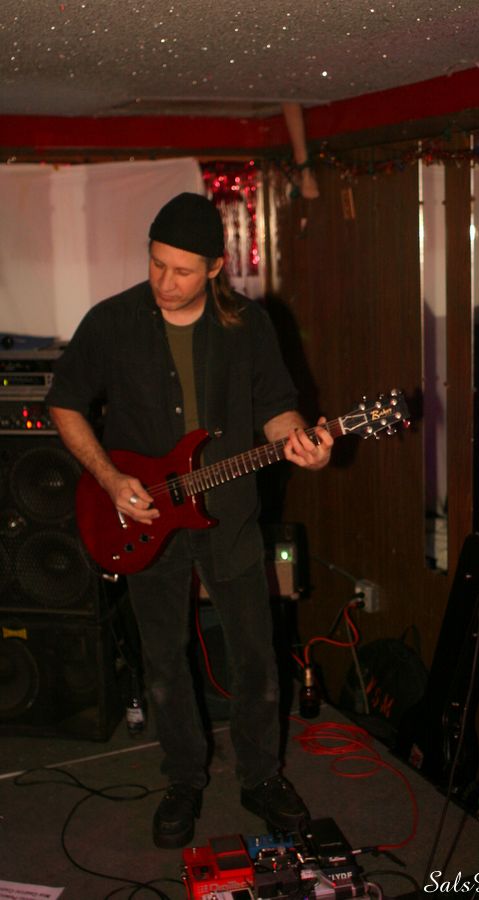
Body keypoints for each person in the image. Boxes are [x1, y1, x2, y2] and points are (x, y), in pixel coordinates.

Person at [46, 192, 333, 849]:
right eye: (156, 264)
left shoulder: (248, 325)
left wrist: (303, 444)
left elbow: (278, 408)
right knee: (164, 659)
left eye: (181, 270)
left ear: (215, 268)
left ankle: (261, 778)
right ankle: (182, 779)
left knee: (256, 656)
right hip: (142, 513)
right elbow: (65, 402)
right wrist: (110, 479)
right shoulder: (112, 321)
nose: (165, 281)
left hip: (228, 513)